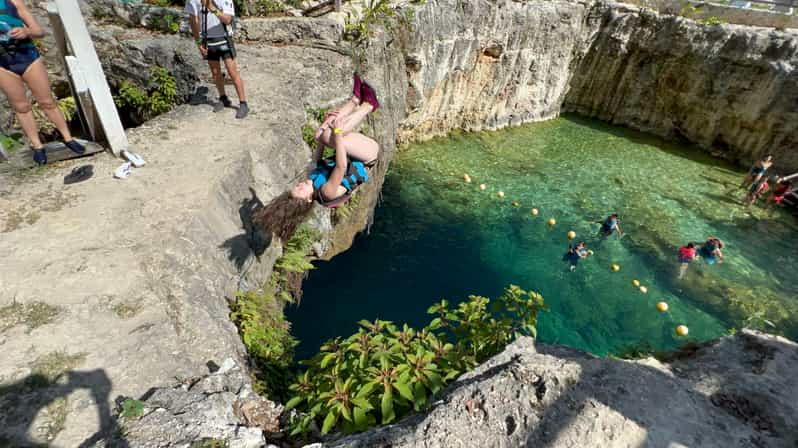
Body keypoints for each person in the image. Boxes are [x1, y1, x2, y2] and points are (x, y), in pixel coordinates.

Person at [254, 74, 379, 242]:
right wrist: (337, 133)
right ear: (307, 199)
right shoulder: (326, 192)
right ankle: (368, 105)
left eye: (295, 187)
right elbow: (341, 166)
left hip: (355, 153)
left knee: (321, 133)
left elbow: (319, 144)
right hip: (367, 156)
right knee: (332, 136)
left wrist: (327, 122)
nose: (299, 185)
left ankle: (355, 100)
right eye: (300, 189)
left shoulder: (312, 176)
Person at [1, 0, 85, 165]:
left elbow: (39, 31)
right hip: (3, 65)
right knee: (21, 107)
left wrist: (26, 31)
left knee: (47, 101)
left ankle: (68, 138)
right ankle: (37, 146)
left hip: (28, 57)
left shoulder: (13, 2)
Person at [186, 0, 248, 119]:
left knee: (232, 71)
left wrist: (211, 7)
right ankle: (223, 98)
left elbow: (228, 19)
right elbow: (193, 21)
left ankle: (243, 103)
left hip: (223, 38)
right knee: (215, 73)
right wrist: (199, 43)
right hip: (207, 40)